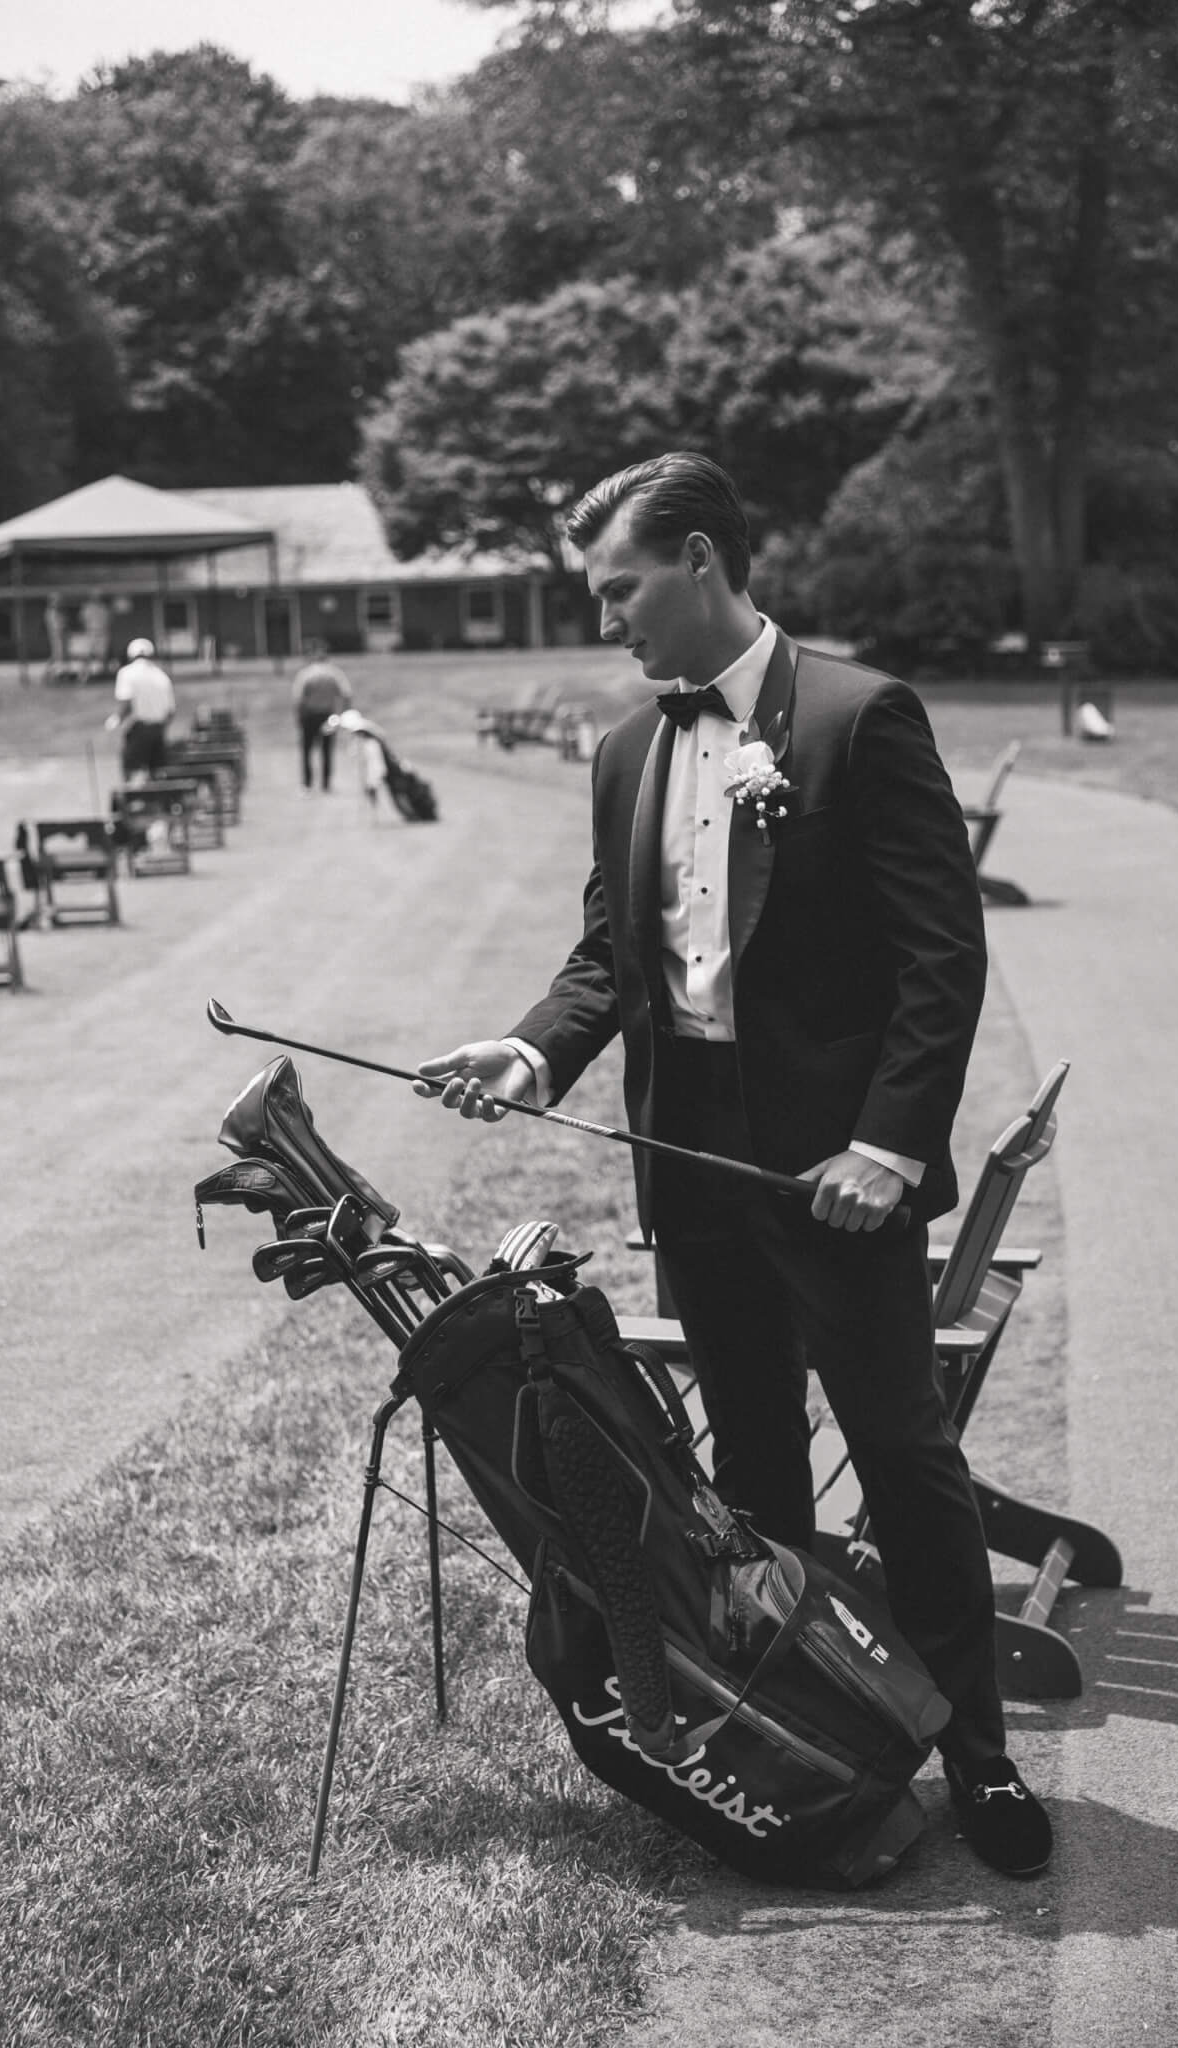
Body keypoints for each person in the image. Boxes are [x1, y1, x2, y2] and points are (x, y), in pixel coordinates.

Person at [416, 451, 1052, 1880]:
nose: (606, 620)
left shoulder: (857, 716)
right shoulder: (621, 754)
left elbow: (939, 956)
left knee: (900, 1457)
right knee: (752, 1471)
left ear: (700, 560)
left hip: (836, 1173)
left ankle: (978, 1753)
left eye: (620, 587)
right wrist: (527, 1052)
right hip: (689, 1162)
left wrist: (887, 1144)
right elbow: (610, 956)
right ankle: (812, 1736)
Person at [107, 637, 175, 781]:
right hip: (158, 729)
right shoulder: (162, 676)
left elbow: (126, 704)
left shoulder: (126, 673)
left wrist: (116, 719)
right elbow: (170, 712)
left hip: (139, 729)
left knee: (131, 771)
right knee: (158, 775)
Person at [292, 640, 352, 790]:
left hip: (309, 716)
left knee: (307, 751)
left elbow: (298, 699)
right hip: (328, 716)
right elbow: (346, 694)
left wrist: (298, 717)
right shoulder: (334, 673)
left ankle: (307, 784)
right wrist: (342, 714)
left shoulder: (305, 674)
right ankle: (326, 784)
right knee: (327, 750)